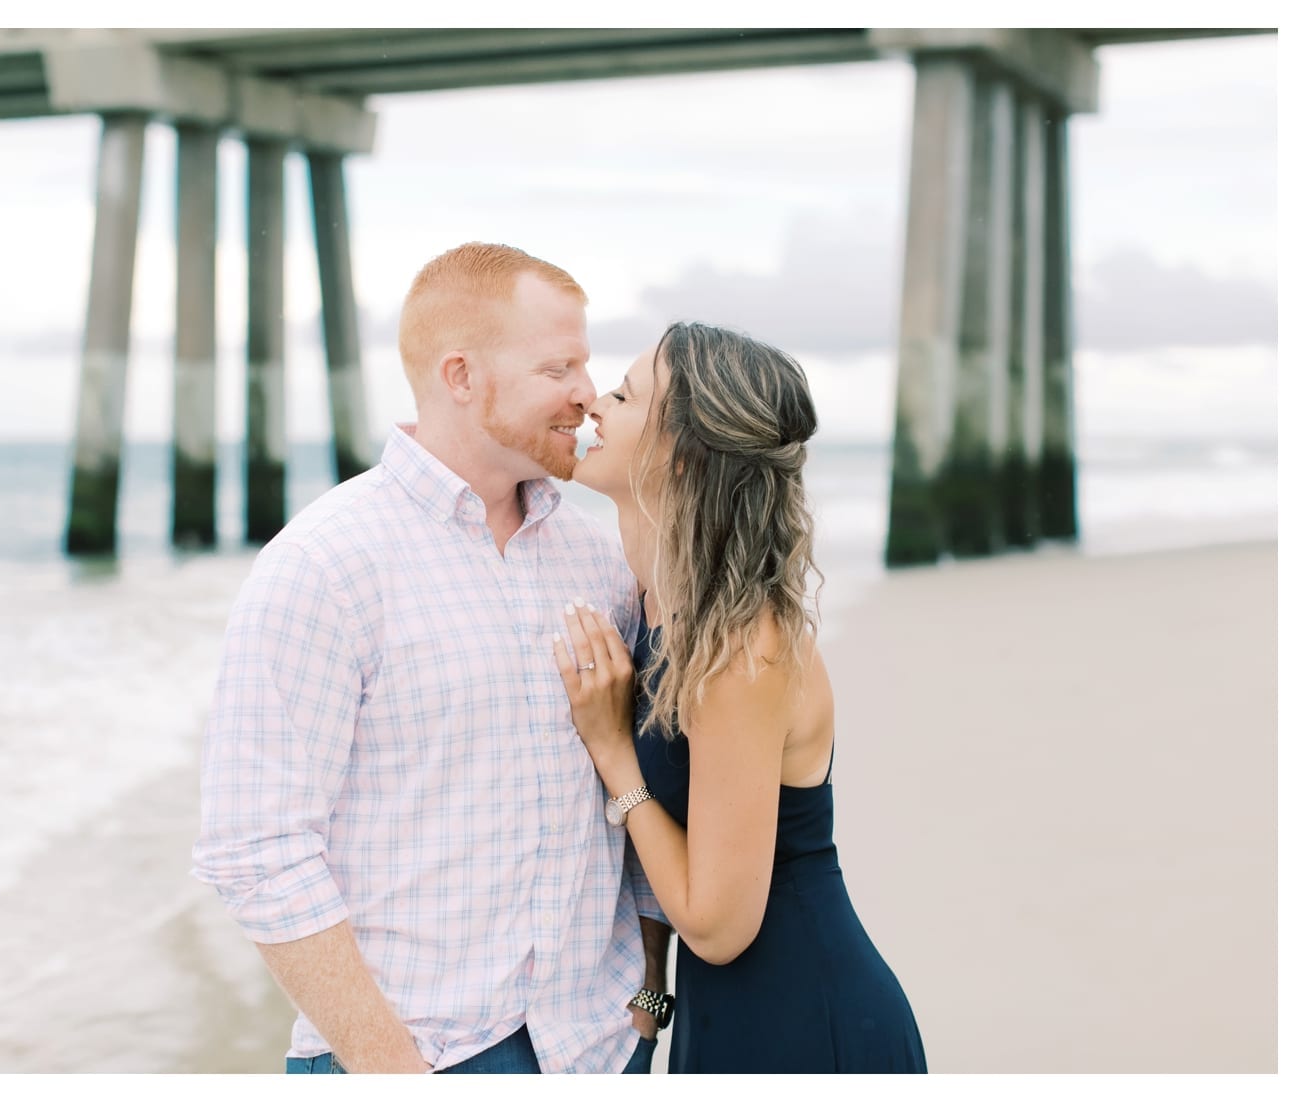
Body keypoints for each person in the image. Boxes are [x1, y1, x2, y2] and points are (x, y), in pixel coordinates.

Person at [191, 242, 672, 1074]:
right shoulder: (325, 567)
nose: (586, 396)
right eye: (557, 367)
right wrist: (394, 1073)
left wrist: (649, 1003)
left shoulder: (602, 563)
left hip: (599, 1051)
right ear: (461, 376)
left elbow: (640, 790)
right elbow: (255, 846)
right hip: (415, 1059)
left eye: (585, 365)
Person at [552, 321, 927, 1073]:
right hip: (723, 1014)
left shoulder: (739, 651)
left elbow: (720, 928)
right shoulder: (655, 606)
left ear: (681, 455)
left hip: (804, 1019)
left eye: (624, 396)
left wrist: (612, 752)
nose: (594, 402)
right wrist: (651, 1002)